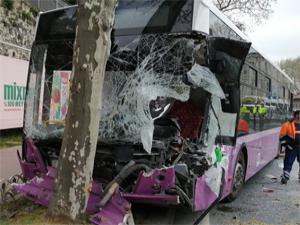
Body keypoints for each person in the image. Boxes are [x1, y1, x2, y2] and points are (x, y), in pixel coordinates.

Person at [280, 110, 300, 184]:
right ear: (296, 115)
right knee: (288, 162)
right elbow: (282, 137)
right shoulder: (287, 125)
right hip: (292, 148)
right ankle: (285, 177)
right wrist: (287, 145)